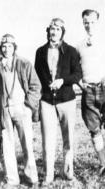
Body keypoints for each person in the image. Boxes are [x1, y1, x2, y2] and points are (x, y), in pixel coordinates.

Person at [0, 34, 42, 188]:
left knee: (27, 145)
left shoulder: (24, 63)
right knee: (7, 146)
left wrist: (28, 106)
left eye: (10, 46)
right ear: (0, 48)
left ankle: (32, 178)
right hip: (3, 111)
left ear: (14, 47)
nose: (6, 49)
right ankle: (12, 180)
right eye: (4, 46)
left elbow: (36, 86)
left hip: (22, 108)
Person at [34, 18, 82, 183]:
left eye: (58, 29)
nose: (54, 32)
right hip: (47, 101)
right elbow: (36, 78)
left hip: (66, 100)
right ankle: (48, 176)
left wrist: (62, 81)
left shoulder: (71, 51)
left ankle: (67, 172)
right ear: (48, 31)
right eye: (52, 29)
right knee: (48, 140)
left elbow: (77, 75)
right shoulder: (40, 52)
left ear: (62, 32)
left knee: (68, 139)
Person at [77, 9, 105, 175]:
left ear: (98, 22)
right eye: (86, 22)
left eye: (92, 22)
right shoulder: (79, 45)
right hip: (88, 91)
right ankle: (102, 163)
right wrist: (80, 82)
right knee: (94, 129)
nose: (89, 25)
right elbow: (75, 69)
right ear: (83, 23)